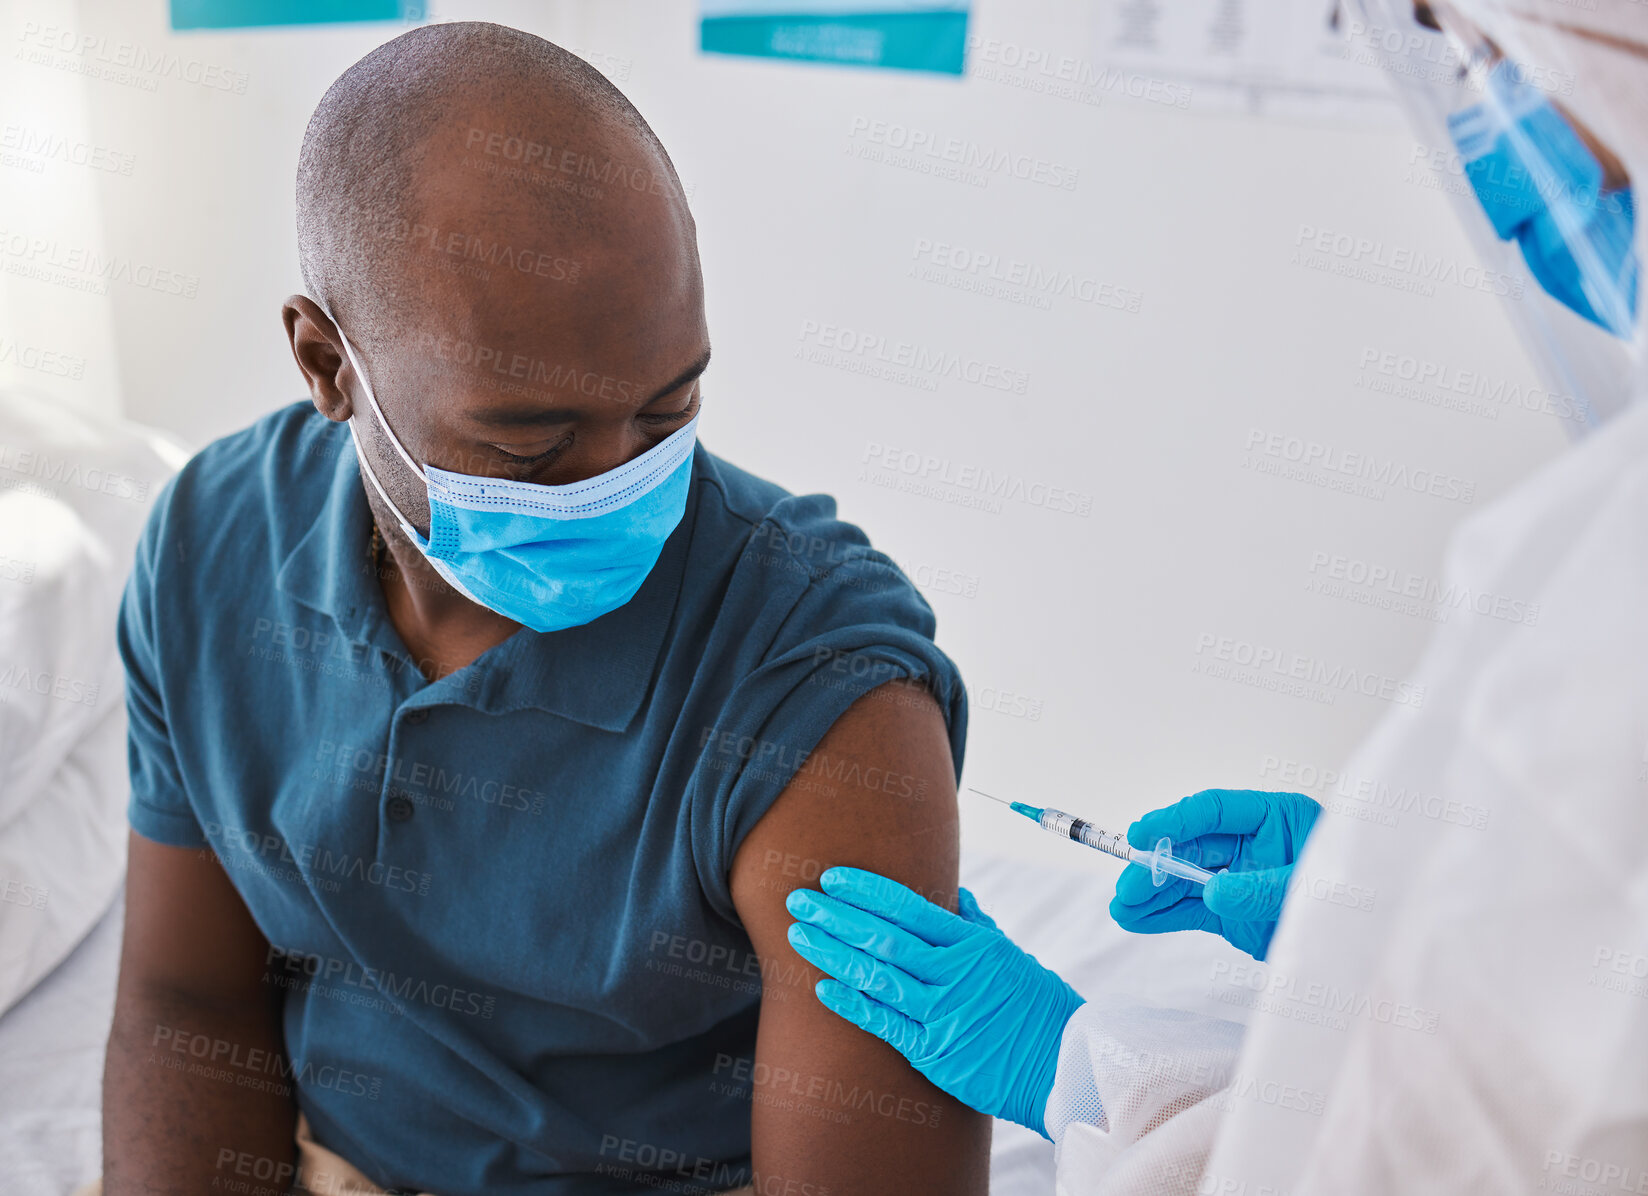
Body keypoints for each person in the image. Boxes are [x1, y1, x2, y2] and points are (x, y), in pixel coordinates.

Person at [91, 21, 991, 1196]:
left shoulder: (823, 700)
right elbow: (186, 1000)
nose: (616, 485)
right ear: (326, 364)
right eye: (532, 442)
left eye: (667, 415)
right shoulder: (211, 556)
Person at [785, 1, 1648, 1191]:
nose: (1492, 149)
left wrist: (1084, 1070)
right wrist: (1382, 901)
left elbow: (1413, 1157)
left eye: (1496, 63)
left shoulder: (1616, 571)